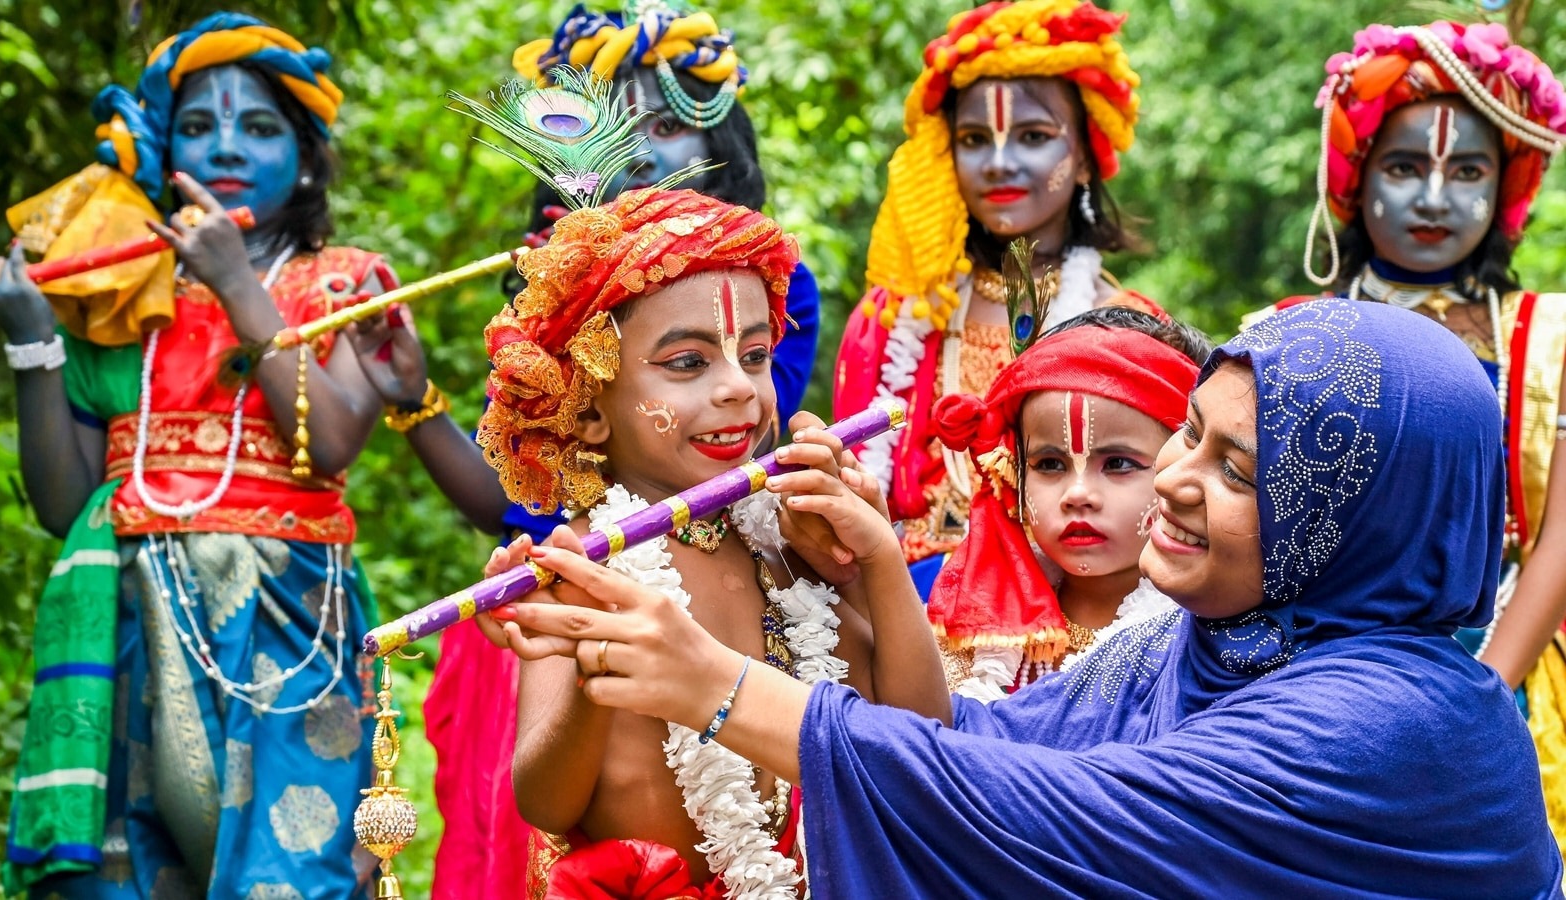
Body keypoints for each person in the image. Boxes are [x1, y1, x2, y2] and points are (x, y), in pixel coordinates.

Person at [489, 300, 1564, 894]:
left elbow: (1050, 815)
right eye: (1190, 432)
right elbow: (981, 740)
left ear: (1361, 523)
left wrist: (716, 687)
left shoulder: (1402, 723)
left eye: (1240, 471)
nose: (1176, 482)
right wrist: (862, 562)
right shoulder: (1199, 648)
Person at [340, 7, 825, 898]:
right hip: (554, 617)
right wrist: (415, 403)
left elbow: (707, 453)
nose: (641, 150)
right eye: (620, 127)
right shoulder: (554, 306)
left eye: (671, 125)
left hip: (715, 598)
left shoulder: (756, 290)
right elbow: (510, 505)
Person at [0, 13, 391, 897]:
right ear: (165, 158)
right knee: (131, 872)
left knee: (292, 874)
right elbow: (63, 506)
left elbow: (334, 443)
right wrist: (33, 345)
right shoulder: (116, 299)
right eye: (197, 127)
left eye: (260, 127)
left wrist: (239, 283)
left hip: (290, 622)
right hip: (128, 612)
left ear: (309, 157)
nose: (226, 145)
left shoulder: (344, 278)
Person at [466, 186, 943, 897]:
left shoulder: (783, 540)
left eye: (754, 357)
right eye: (689, 363)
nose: (739, 390)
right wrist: (597, 671)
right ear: (590, 410)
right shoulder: (584, 562)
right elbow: (544, 803)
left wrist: (872, 559)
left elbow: (920, 734)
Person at [1248, 20, 1566, 848]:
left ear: (1506, 190)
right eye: (1403, 166)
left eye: (1467, 171)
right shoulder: (1289, 334)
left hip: (1514, 680)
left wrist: (1485, 694)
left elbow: (1561, 538)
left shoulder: (1554, 338)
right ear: (1354, 182)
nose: (1433, 197)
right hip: (1313, 685)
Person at [832, 0, 1155, 599]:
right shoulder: (894, 319)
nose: (1000, 163)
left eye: (1033, 136)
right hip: (897, 610)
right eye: (975, 138)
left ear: (1085, 154)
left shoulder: (1131, 331)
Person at [928, 307, 1209, 697]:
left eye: (1118, 464)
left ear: (1185, 468)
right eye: (1049, 464)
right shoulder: (972, 622)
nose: (1078, 494)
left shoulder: (1212, 633)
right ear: (1013, 472)